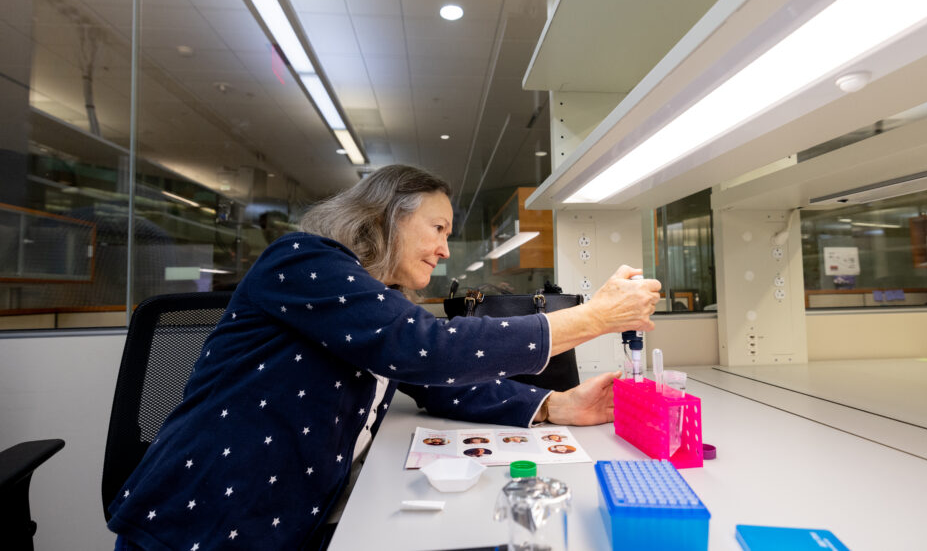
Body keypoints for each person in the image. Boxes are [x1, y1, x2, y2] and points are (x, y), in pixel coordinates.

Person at [107, 164, 660, 550]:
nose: (446, 248)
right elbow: (428, 350)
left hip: (288, 515)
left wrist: (556, 406)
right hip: (208, 519)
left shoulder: (379, 302)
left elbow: (442, 381)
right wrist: (595, 318)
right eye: (438, 228)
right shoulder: (301, 259)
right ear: (386, 216)